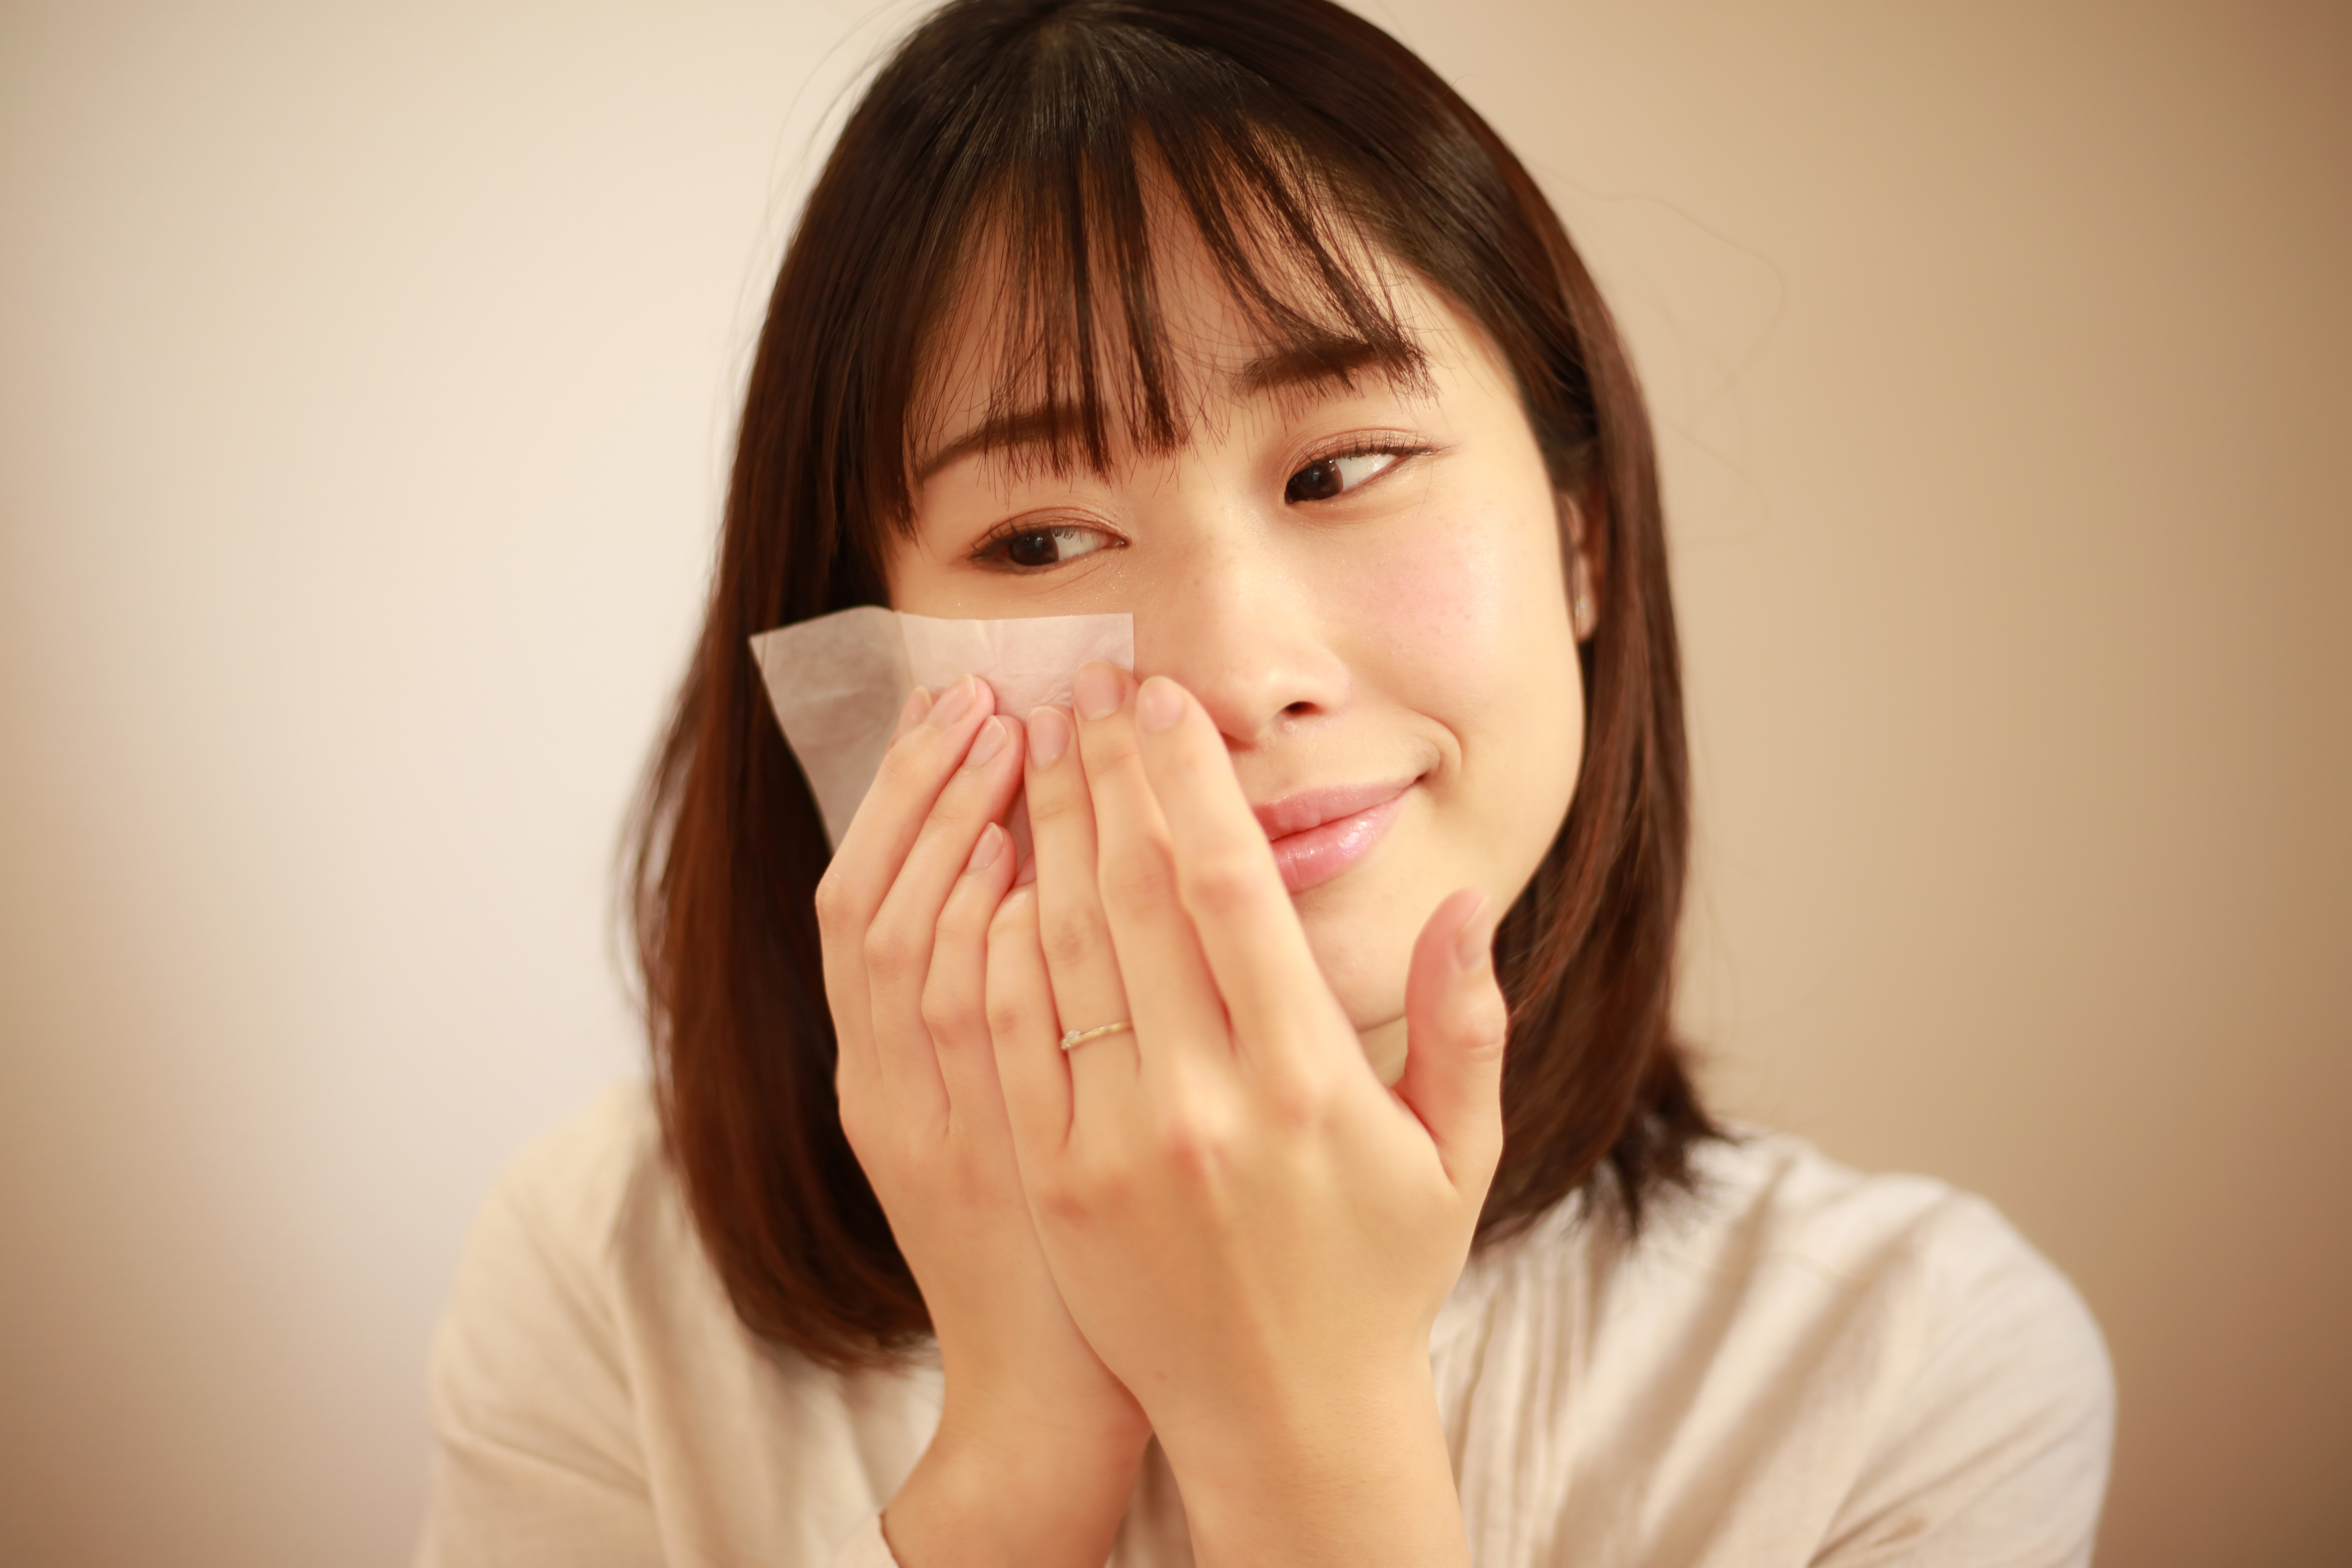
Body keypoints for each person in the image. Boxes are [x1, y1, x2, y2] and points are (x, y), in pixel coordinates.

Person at [413, 2, 2114, 1564]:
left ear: (1581, 540)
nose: (1232, 675)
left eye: (1343, 467)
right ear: (868, 671)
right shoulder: (608, 1276)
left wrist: (1308, 1442)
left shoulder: (1909, 1368)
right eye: (1045, 539)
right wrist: (1020, 1448)